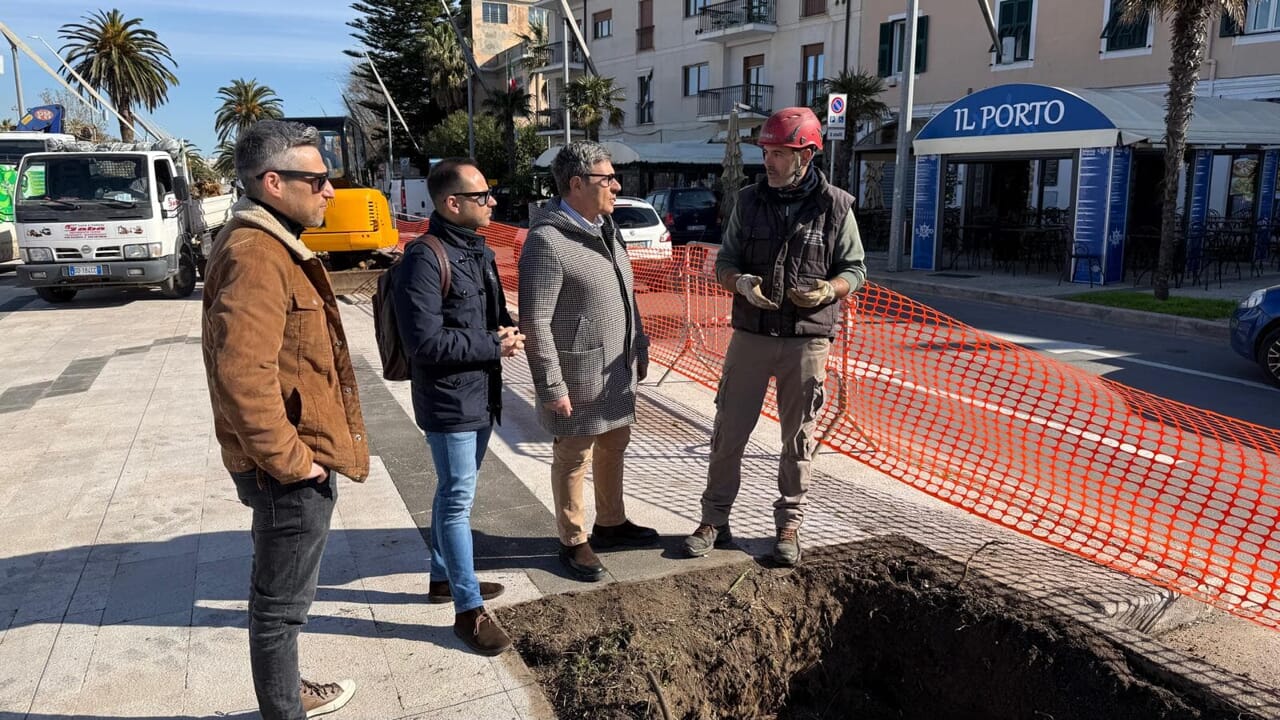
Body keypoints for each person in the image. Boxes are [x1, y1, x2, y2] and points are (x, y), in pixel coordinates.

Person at [201, 120, 367, 720]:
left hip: (290, 464)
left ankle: (287, 693)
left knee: (281, 600)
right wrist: (297, 466)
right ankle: (284, 710)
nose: (329, 191)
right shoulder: (256, 253)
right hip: (286, 471)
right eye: (318, 180)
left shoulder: (271, 243)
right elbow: (242, 376)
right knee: (279, 608)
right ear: (274, 182)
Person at [682, 107, 867, 567]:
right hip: (752, 336)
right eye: (766, 150)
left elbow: (856, 268)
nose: (769, 160)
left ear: (806, 155)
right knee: (728, 432)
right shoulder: (748, 201)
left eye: (780, 152)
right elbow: (725, 261)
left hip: (807, 341)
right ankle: (714, 520)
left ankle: (788, 525)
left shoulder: (836, 206)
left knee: (798, 439)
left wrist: (831, 289)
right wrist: (739, 282)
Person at [391, 158, 524, 655]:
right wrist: (493, 343)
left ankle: (443, 579)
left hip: (481, 394)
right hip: (448, 402)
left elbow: (491, 311)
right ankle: (467, 611)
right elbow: (423, 342)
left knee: (453, 493)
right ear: (453, 203)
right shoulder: (424, 258)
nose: (493, 202)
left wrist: (506, 328)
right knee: (457, 501)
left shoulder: (478, 250)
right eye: (483, 195)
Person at [518, 140, 657, 582]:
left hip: (615, 370)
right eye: (608, 178)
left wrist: (640, 344)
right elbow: (535, 321)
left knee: (615, 444)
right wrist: (551, 387)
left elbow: (626, 295)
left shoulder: (606, 229)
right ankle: (573, 538)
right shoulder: (548, 240)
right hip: (577, 374)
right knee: (574, 456)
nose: (617, 186)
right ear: (576, 184)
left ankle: (611, 523)